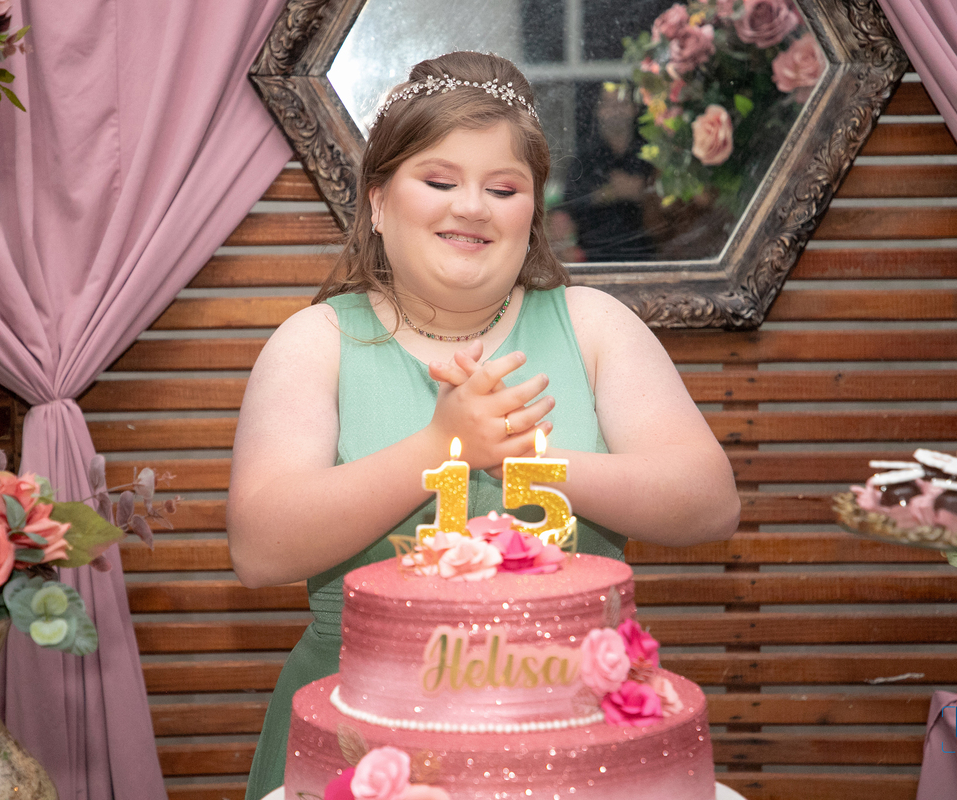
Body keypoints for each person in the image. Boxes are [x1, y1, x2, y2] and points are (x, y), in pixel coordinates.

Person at [228, 51, 739, 800]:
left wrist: (528, 458)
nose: (472, 208)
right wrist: (442, 447)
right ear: (377, 201)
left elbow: (711, 505)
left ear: (533, 212)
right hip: (357, 741)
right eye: (439, 182)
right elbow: (258, 549)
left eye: (503, 189)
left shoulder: (595, 327)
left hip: (573, 744)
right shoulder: (317, 343)